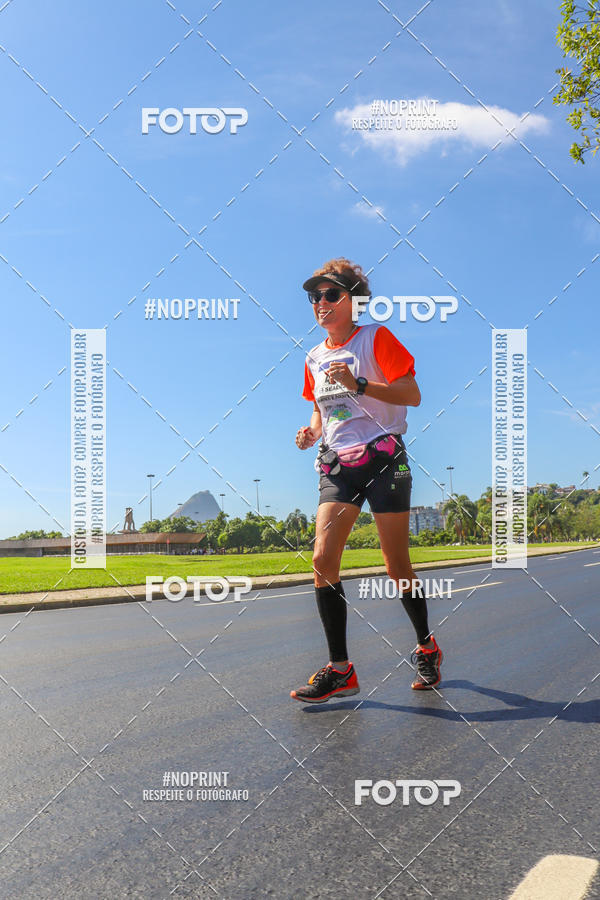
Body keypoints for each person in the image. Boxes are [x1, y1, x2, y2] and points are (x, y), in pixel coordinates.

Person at [291, 258, 442, 704]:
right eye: (314, 296)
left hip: (384, 459)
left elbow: (411, 394)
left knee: (396, 565)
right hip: (338, 464)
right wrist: (311, 432)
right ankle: (341, 670)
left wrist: (361, 384)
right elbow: (319, 408)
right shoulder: (313, 357)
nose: (321, 303)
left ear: (353, 301)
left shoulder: (375, 338)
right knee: (321, 559)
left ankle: (426, 645)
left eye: (331, 294)